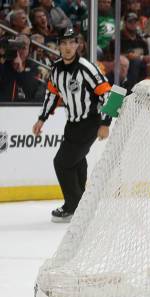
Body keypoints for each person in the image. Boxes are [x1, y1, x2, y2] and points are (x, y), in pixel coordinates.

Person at [32, 28, 112, 223]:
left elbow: (110, 94)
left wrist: (105, 123)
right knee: (76, 161)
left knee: (61, 163)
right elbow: (52, 94)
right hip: (72, 123)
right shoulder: (56, 69)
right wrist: (41, 118)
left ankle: (73, 206)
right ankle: (82, 204)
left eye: (71, 42)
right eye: (64, 43)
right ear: (59, 45)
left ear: (78, 45)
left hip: (90, 122)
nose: (68, 47)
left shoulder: (87, 68)